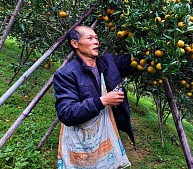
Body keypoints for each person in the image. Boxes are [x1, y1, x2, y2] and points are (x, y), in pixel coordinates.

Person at [53, 25, 135, 168]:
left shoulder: (109, 62)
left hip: (105, 134)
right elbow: (66, 113)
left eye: (96, 38)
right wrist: (102, 101)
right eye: (90, 38)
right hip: (81, 140)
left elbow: (134, 60)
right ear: (75, 43)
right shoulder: (66, 74)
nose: (96, 41)